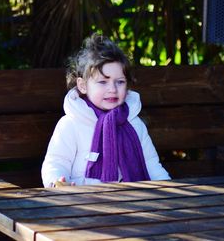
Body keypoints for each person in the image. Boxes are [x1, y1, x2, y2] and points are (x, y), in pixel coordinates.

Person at [41, 33, 170, 187]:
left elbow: (151, 163)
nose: (112, 89)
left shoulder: (134, 123)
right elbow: (56, 161)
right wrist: (57, 182)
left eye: (120, 82)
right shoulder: (71, 124)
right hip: (81, 202)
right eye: (103, 82)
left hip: (130, 200)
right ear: (82, 85)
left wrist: (167, 187)